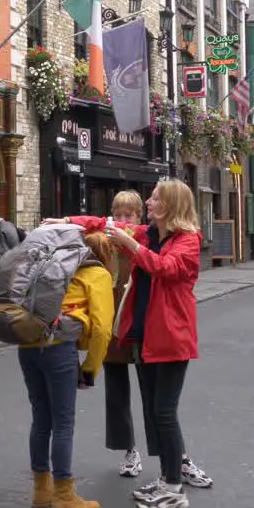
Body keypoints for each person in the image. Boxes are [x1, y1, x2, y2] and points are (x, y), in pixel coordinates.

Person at [93, 191, 212, 488]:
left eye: (128, 216)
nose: (122, 221)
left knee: (158, 406)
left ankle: (174, 465)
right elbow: (95, 227)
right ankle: (136, 454)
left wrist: (128, 242)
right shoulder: (113, 242)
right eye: (117, 215)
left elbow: (165, 267)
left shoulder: (159, 239)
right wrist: (66, 221)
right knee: (120, 394)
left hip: (150, 329)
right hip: (118, 324)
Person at [17, 227, 113, 508]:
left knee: (41, 419)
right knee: (63, 423)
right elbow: (102, 331)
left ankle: (41, 490)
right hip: (59, 348)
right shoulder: (97, 275)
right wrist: (90, 369)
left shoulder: (55, 267)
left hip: (28, 345)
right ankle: (63, 494)